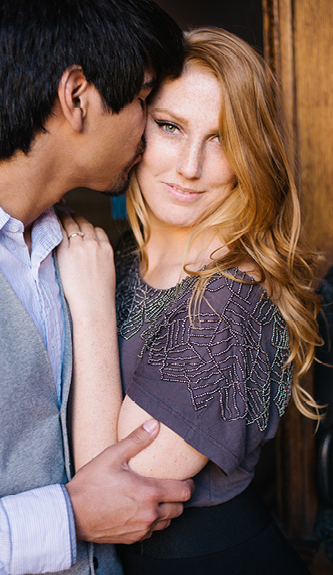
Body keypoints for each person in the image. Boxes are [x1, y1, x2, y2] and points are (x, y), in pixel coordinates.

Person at [0, 1, 193, 574]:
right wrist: (66, 518)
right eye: (144, 98)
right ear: (78, 98)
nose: (150, 127)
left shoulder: (86, 249)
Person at [56, 27, 320, 574]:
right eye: (170, 127)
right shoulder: (124, 259)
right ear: (135, 124)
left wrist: (91, 308)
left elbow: (113, 486)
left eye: (221, 138)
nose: (190, 166)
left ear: (251, 154)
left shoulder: (231, 298)